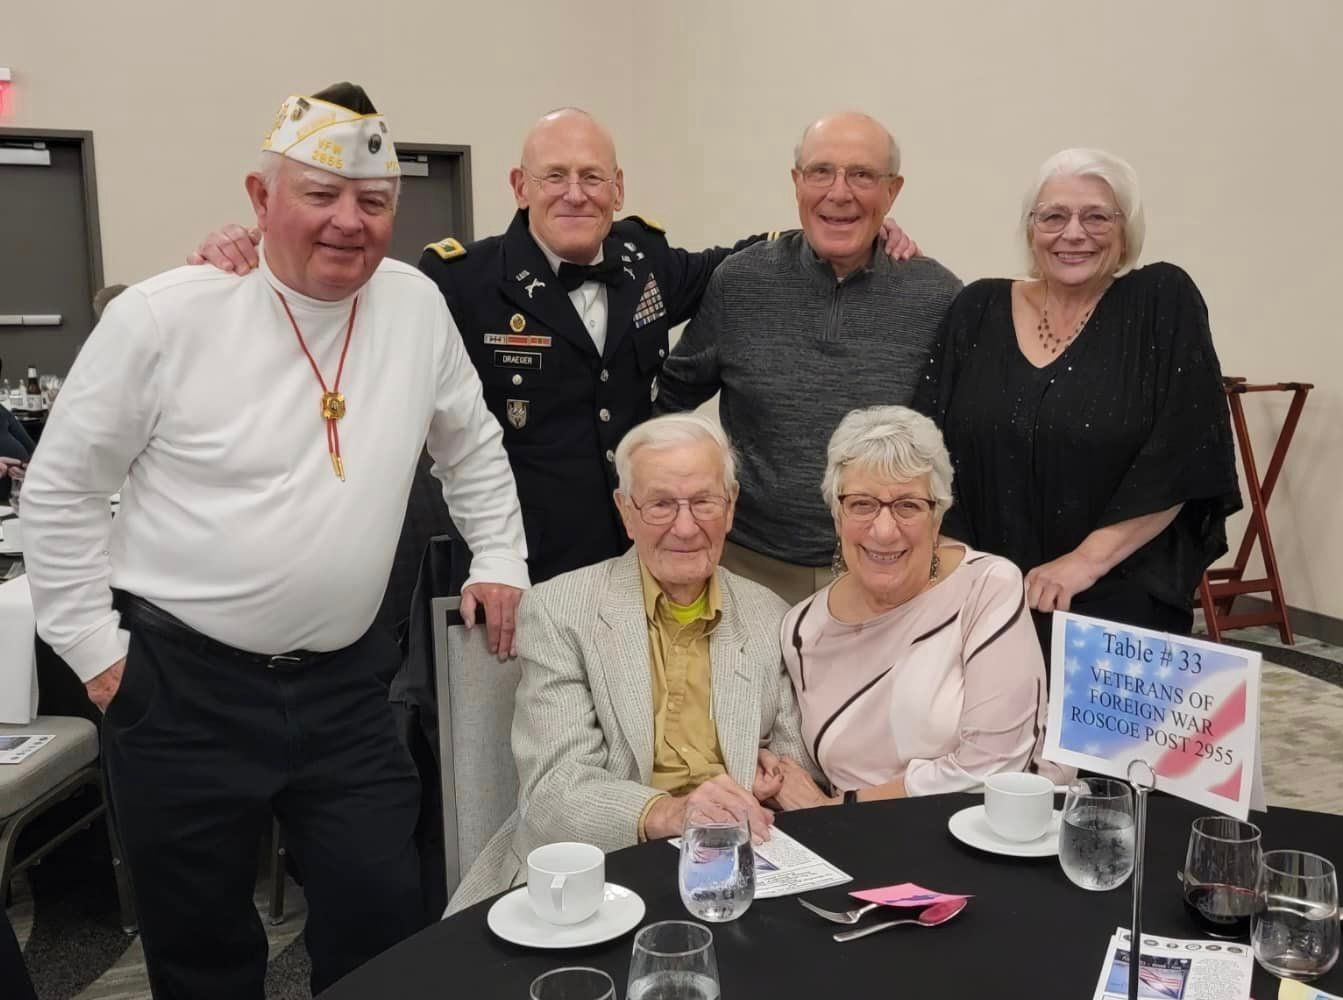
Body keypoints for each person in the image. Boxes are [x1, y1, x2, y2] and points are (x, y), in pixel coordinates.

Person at [20, 83, 529, 999]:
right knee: (202, 943)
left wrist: (499, 555)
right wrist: (94, 651)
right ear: (260, 201)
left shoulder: (413, 306)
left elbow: (473, 442)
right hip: (180, 689)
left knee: (381, 916)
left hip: (346, 687)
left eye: (373, 203)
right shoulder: (166, 316)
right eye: (320, 197)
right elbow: (61, 491)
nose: (349, 222)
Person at [190, 108, 916, 583]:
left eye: (592, 177)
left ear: (617, 187)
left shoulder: (648, 263)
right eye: (556, 177)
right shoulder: (460, 281)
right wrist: (254, 247)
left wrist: (869, 228)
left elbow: (765, 253)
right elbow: (343, 282)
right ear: (519, 186)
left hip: (634, 561)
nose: (576, 194)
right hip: (517, 567)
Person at [450, 412, 814, 910]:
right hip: (597, 869)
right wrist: (672, 812)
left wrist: (767, 786)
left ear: (730, 509)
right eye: (661, 505)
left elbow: (793, 770)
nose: (685, 527)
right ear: (625, 511)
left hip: (736, 870)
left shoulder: (769, 614)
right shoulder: (561, 611)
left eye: (704, 502)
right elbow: (554, 791)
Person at [915, 148, 1241, 661]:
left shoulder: (1161, 301)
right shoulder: (977, 307)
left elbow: (1185, 450)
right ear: (1030, 229)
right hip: (980, 595)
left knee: (1101, 745)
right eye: (1054, 216)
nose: (1073, 233)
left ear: (1125, 229)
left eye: (1096, 216)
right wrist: (964, 571)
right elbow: (925, 444)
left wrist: (1084, 563)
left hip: (1115, 595)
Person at [658, 112, 961, 606]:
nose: (838, 192)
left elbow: (959, 440)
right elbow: (667, 404)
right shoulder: (740, 283)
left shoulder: (937, 297)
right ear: (796, 182)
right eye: (820, 172)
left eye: (862, 175)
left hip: (885, 569)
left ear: (893, 191)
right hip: (749, 569)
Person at [769, 406, 1065, 810]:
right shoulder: (801, 628)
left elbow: (997, 765)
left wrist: (845, 809)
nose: (885, 530)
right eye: (861, 504)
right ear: (837, 516)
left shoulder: (987, 587)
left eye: (908, 505)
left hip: (977, 835)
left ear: (937, 516)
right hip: (849, 847)